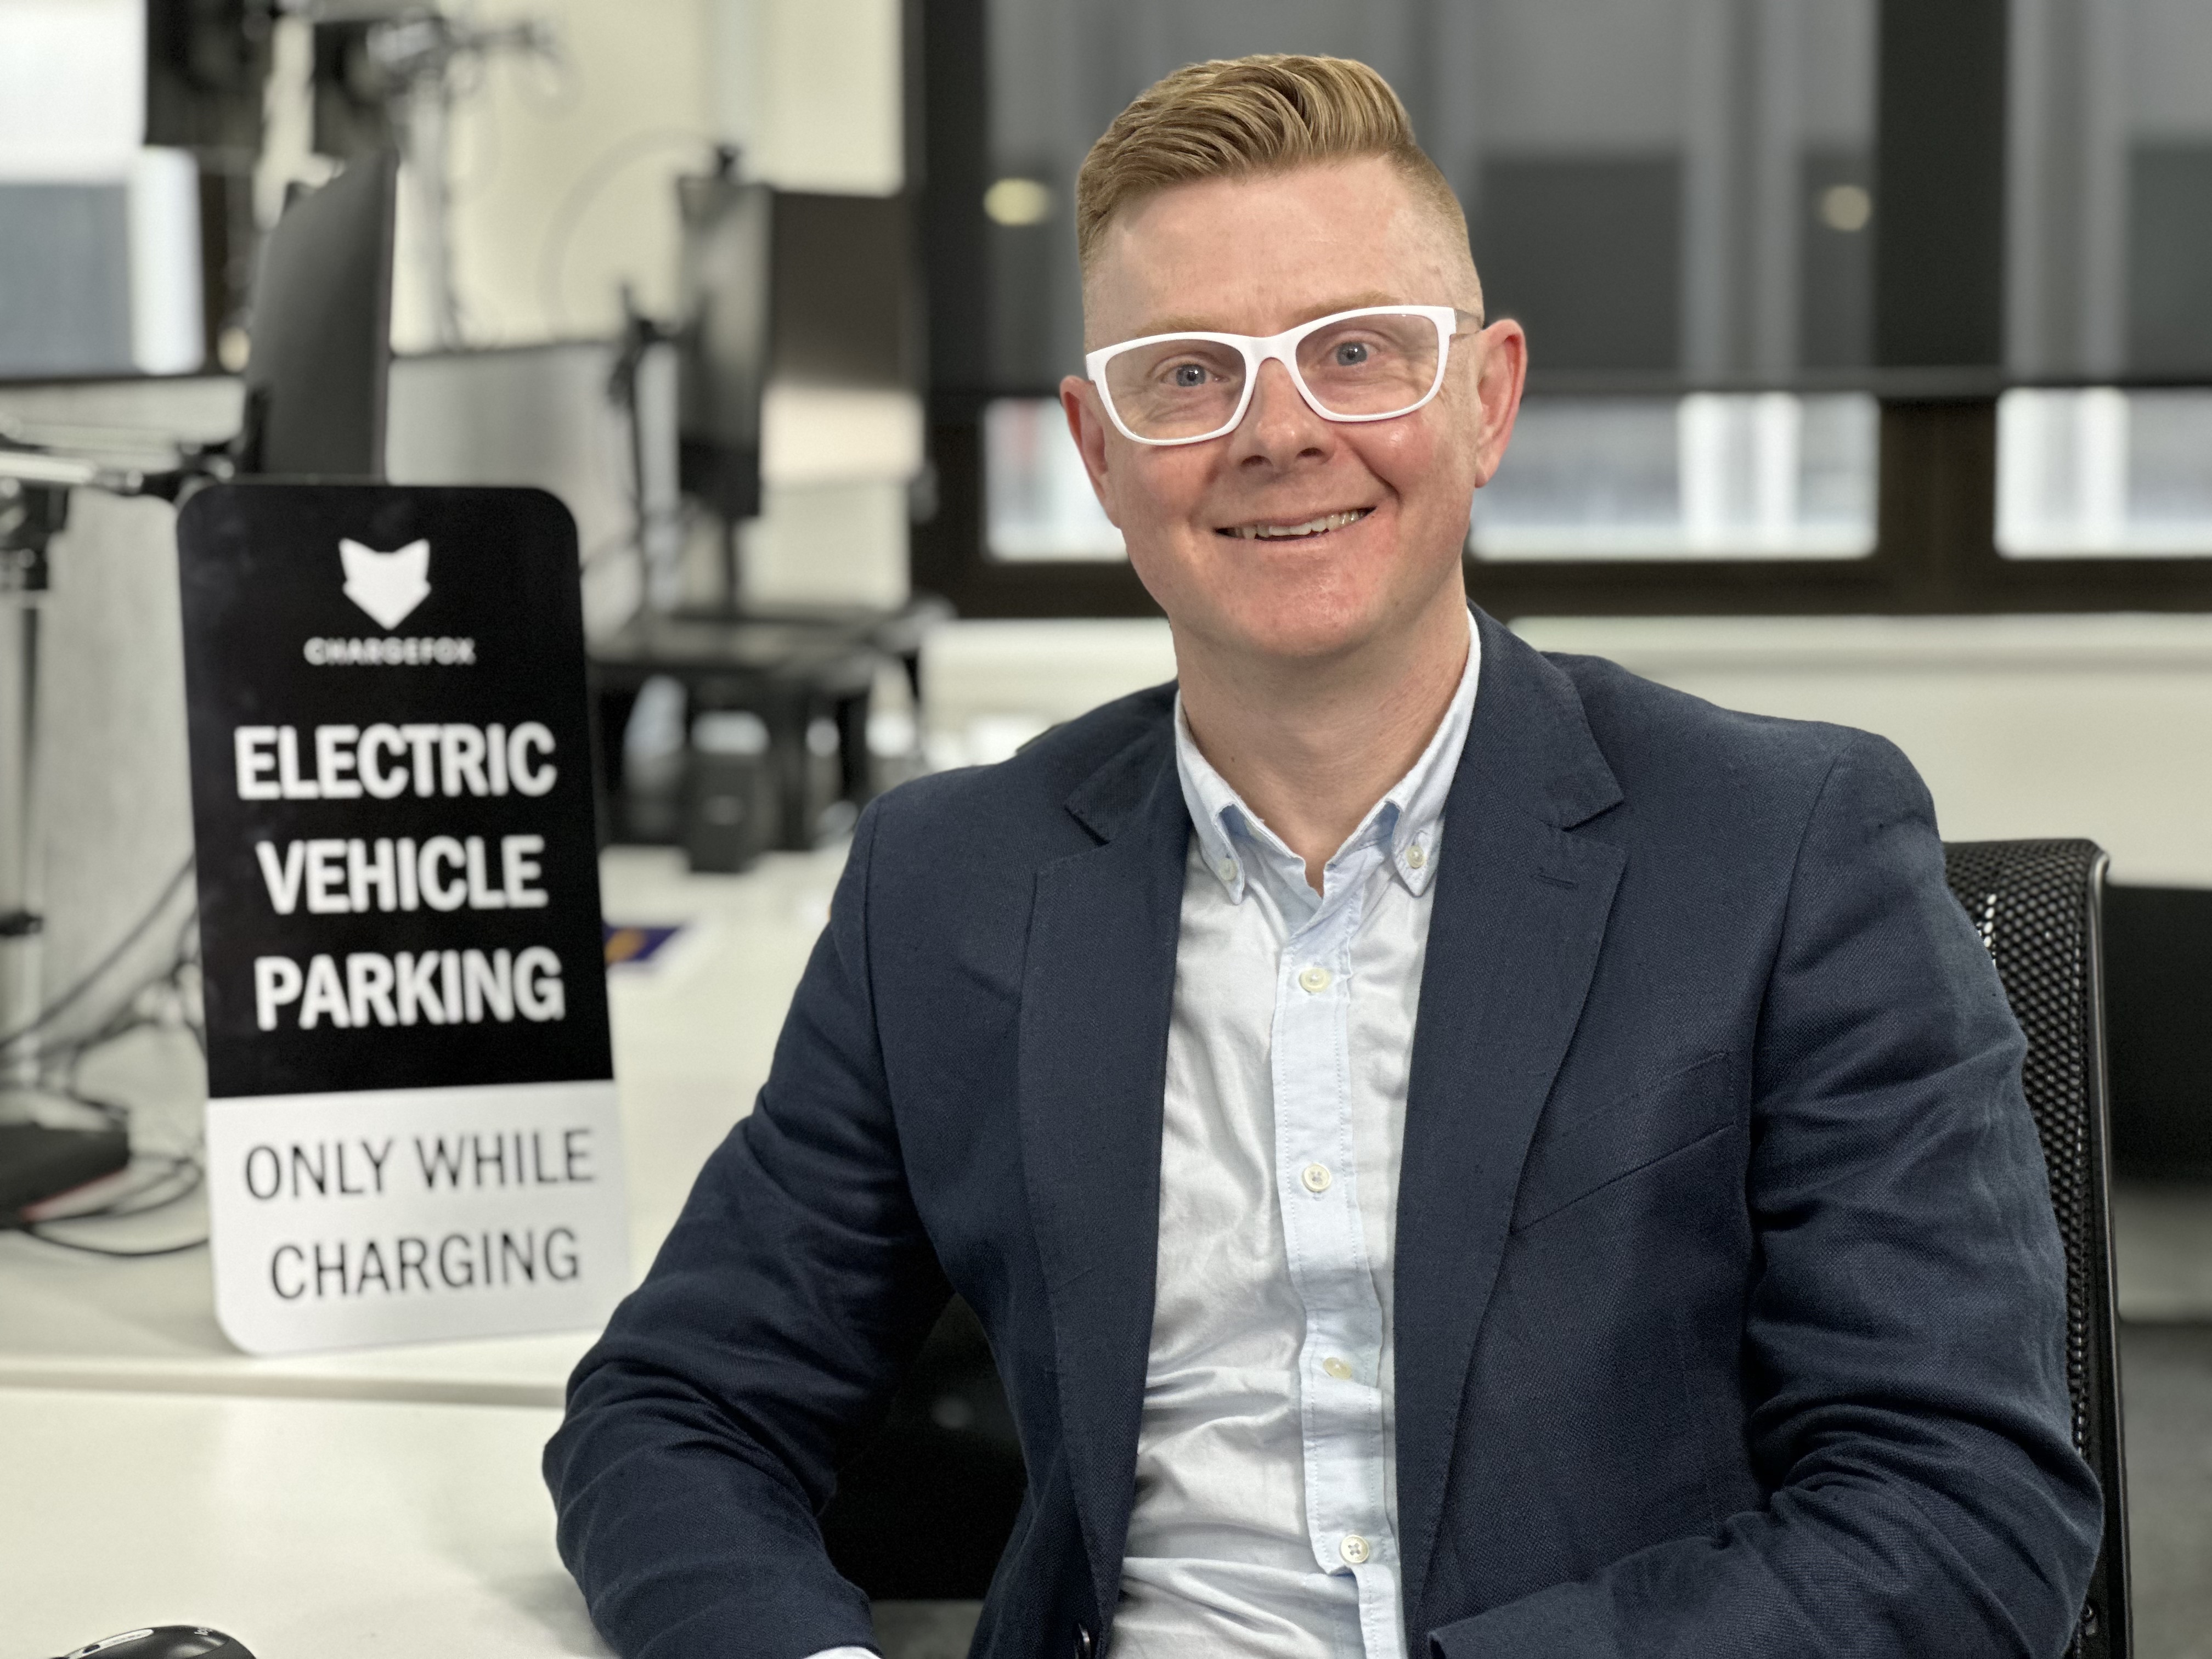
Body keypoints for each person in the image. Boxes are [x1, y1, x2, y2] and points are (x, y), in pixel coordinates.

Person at [546, 54, 2101, 1659]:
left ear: (1486, 399)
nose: (1278, 431)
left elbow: (1964, 1514)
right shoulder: (951, 881)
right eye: (1186, 374)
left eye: (1356, 353)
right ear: (1098, 450)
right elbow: (674, 1411)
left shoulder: (1783, 850)